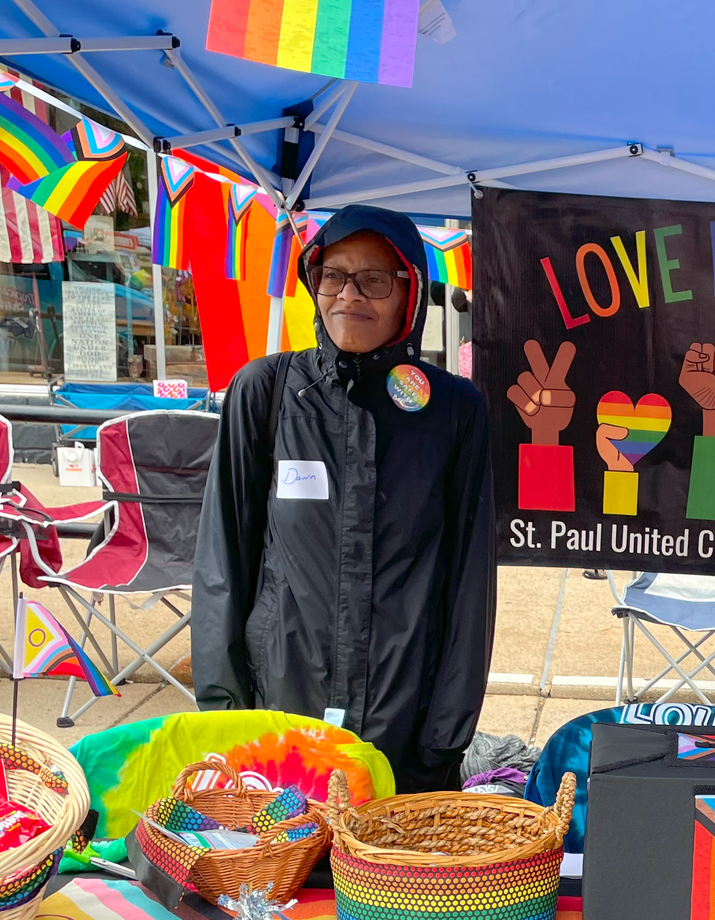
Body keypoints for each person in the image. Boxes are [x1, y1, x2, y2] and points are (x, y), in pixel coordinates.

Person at [194, 205, 493, 792]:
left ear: (410, 292)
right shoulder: (268, 391)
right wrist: (226, 720)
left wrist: (444, 737)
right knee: (279, 877)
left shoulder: (454, 410)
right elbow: (223, 562)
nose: (349, 295)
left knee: (389, 882)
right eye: (334, 275)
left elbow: (469, 581)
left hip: (403, 717)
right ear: (314, 280)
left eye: (374, 279)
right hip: (281, 707)